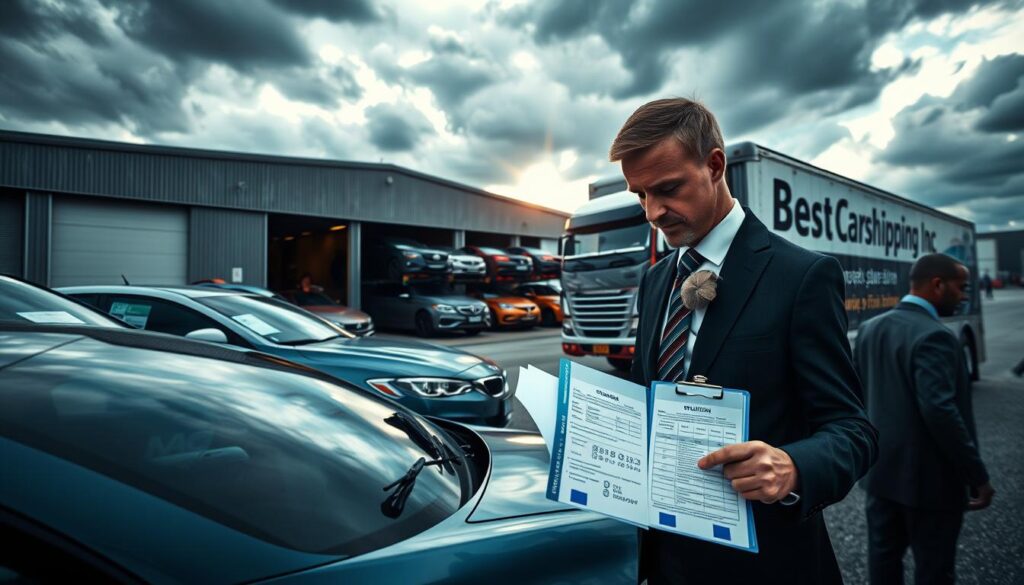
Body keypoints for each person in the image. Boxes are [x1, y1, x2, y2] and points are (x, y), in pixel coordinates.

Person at [613, 98, 877, 584]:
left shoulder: (802, 276)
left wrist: (793, 467)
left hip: (766, 564)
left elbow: (853, 432)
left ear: (715, 165)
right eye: (640, 196)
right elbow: (641, 402)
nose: (652, 212)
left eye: (667, 189)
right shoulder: (655, 282)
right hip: (667, 560)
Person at [855, 253, 995, 585]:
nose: (963, 296)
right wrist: (977, 476)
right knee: (934, 570)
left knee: (883, 563)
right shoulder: (936, 336)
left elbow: (858, 397)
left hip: (880, 476)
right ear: (937, 285)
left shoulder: (869, 329)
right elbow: (940, 411)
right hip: (931, 484)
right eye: (960, 288)